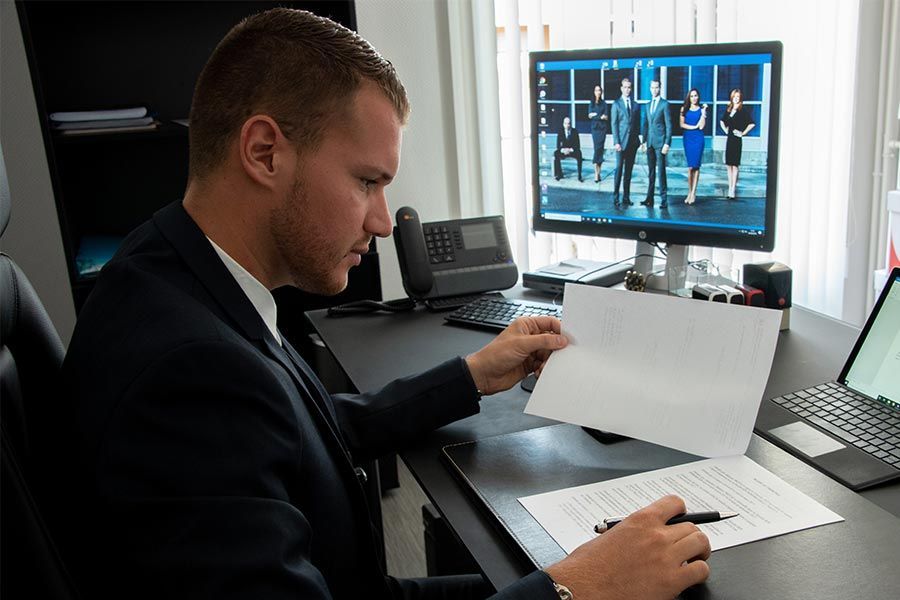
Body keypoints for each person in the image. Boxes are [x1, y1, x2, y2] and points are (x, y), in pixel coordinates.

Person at [49, 9, 711, 600]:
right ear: (263, 152)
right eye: (367, 181)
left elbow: (302, 430)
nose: (385, 222)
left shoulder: (175, 267)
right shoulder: (188, 372)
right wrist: (577, 593)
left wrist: (472, 376)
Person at [640, 79, 672, 209]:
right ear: (650, 89)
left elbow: (669, 125)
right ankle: (649, 198)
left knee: (661, 172)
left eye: (656, 87)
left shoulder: (665, 104)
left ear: (660, 88)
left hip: (660, 143)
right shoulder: (647, 105)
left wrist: (667, 143)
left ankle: (664, 200)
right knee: (651, 172)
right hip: (650, 143)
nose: (654, 90)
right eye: (652, 87)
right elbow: (645, 125)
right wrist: (643, 141)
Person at [719, 88, 755, 200]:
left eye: (738, 97)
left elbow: (752, 123)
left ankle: (733, 190)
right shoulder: (729, 109)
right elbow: (722, 121)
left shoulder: (742, 110)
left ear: (740, 98)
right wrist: (726, 130)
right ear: (732, 97)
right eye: (734, 97)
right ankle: (729, 187)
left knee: (735, 165)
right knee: (729, 165)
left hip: (737, 140)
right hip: (729, 140)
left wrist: (742, 133)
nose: (736, 99)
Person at [610, 77, 641, 208]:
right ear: (621, 88)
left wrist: (639, 140)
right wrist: (616, 142)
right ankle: (616, 197)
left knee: (628, 172)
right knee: (619, 170)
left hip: (633, 143)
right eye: (625, 87)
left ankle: (626, 197)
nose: (627, 90)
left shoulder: (635, 105)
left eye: (629, 87)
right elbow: (614, 124)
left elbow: (637, 124)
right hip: (621, 144)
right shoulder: (616, 104)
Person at [680, 88, 707, 205]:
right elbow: (681, 124)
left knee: (696, 166)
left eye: (696, 96)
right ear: (689, 97)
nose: (694, 98)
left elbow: (701, 127)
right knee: (690, 167)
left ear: (698, 97)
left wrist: (704, 112)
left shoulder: (701, 110)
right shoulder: (684, 109)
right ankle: (689, 191)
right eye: (692, 96)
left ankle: (693, 193)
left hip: (698, 138)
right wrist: (693, 127)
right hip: (688, 138)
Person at [587, 85, 609, 183]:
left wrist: (596, 115)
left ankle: (598, 172)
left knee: (600, 150)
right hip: (595, 130)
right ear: (594, 92)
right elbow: (589, 115)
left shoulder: (604, 104)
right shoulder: (591, 103)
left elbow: (606, 117)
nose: (598, 92)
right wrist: (600, 116)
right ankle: (596, 173)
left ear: (601, 92)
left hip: (602, 130)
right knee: (596, 149)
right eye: (596, 90)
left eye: (599, 90)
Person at [553, 116, 583, 182]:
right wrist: (563, 150)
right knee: (556, 153)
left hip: (572, 150)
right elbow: (558, 145)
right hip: (564, 151)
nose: (567, 125)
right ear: (563, 124)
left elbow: (578, 145)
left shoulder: (575, 131)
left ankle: (579, 176)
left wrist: (570, 150)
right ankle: (559, 174)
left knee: (579, 154)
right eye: (565, 123)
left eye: (568, 123)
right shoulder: (560, 131)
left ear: (571, 124)